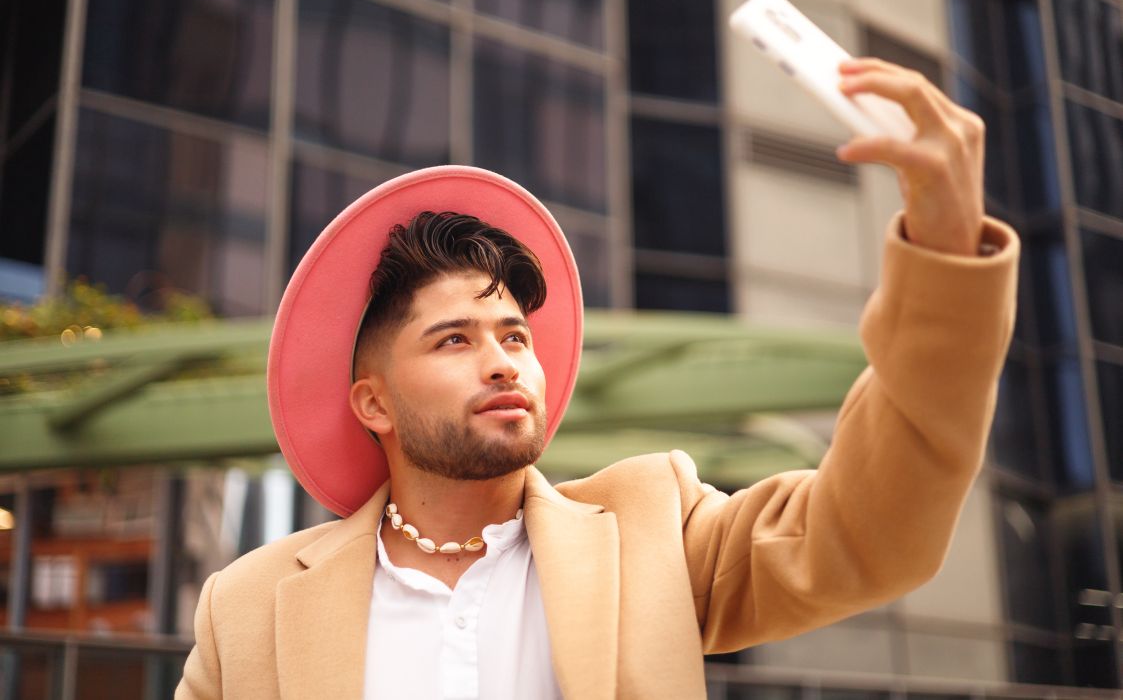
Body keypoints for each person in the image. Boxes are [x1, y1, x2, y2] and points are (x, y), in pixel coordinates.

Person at [175, 59, 1019, 699]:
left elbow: (870, 532)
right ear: (373, 402)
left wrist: (944, 261)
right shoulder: (243, 610)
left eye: (513, 333)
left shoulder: (654, 528)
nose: (503, 358)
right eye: (453, 340)